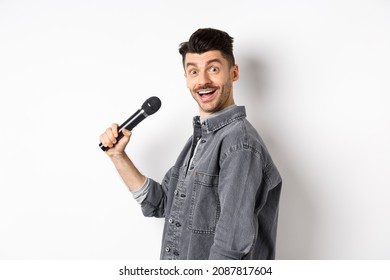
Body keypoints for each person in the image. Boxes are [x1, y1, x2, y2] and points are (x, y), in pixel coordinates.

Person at [99, 28, 282, 260]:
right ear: (186, 79)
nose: (203, 80)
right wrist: (118, 156)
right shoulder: (200, 139)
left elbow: (232, 248)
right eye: (194, 71)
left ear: (233, 73)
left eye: (213, 69)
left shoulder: (239, 144)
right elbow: (163, 203)